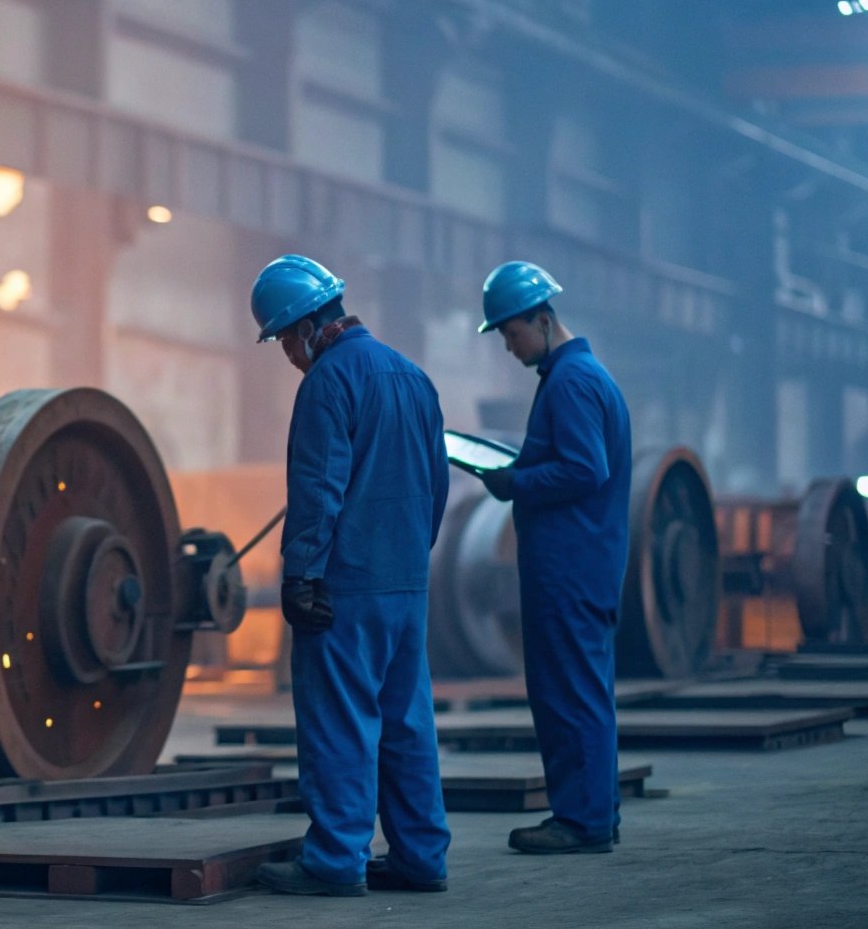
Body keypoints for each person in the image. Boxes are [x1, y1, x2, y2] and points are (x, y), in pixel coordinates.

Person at [249, 254, 452, 897]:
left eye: (283, 338)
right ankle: (422, 859)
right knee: (406, 724)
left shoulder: (328, 382)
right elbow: (438, 486)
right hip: (406, 585)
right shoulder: (414, 377)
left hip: (345, 588)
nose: (286, 353)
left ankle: (336, 862)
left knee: (340, 724)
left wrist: (301, 575)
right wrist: (413, 561)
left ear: (306, 326)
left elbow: (318, 489)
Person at [475, 261, 632, 855]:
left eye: (512, 334)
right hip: (579, 564)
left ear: (543, 319)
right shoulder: (581, 377)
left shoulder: (570, 381)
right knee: (581, 689)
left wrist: (515, 481)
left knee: (569, 693)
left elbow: (583, 469)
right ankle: (595, 813)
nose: (510, 347)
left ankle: (582, 821)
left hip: (571, 568)